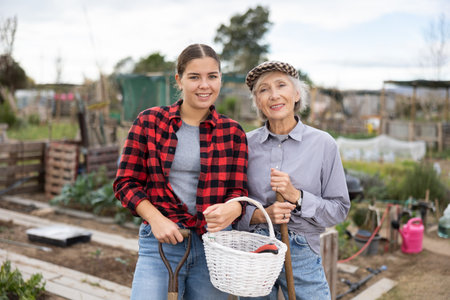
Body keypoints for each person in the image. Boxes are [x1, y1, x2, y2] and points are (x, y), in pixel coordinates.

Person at [113, 43, 248, 300]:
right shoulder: (149, 122)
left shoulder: (233, 133)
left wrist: (236, 207)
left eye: (212, 76)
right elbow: (125, 183)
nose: (204, 85)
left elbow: (238, 191)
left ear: (221, 79)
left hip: (214, 246)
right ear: (179, 79)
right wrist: (156, 219)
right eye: (194, 77)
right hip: (162, 243)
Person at [236, 61, 350, 300]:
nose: (274, 95)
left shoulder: (323, 144)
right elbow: (230, 203)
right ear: (257, 100)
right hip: (254, 248)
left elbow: (339, 210)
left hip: (301, 248)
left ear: (297, 93)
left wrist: (296, 197)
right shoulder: (243, 145)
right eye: (264, 89)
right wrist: (261, 214)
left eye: (281, 85)